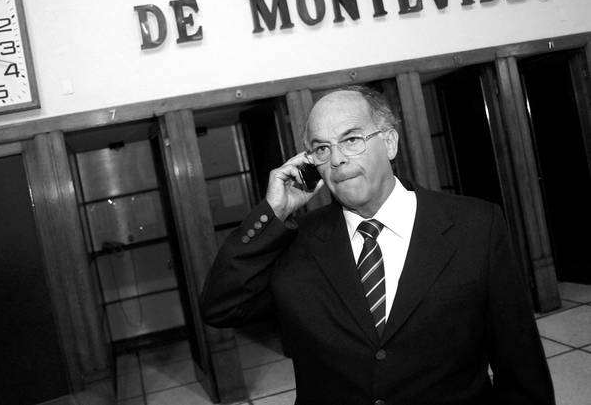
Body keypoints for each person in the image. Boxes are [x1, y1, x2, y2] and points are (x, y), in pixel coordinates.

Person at [199, 86, 555, 404]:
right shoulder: (295, 243)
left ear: (389, 142)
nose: (337, 159)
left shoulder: (475, 226)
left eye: (351, 139)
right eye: (321, 148)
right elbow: (221, 307)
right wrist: (273, 213)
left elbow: (520, 366)